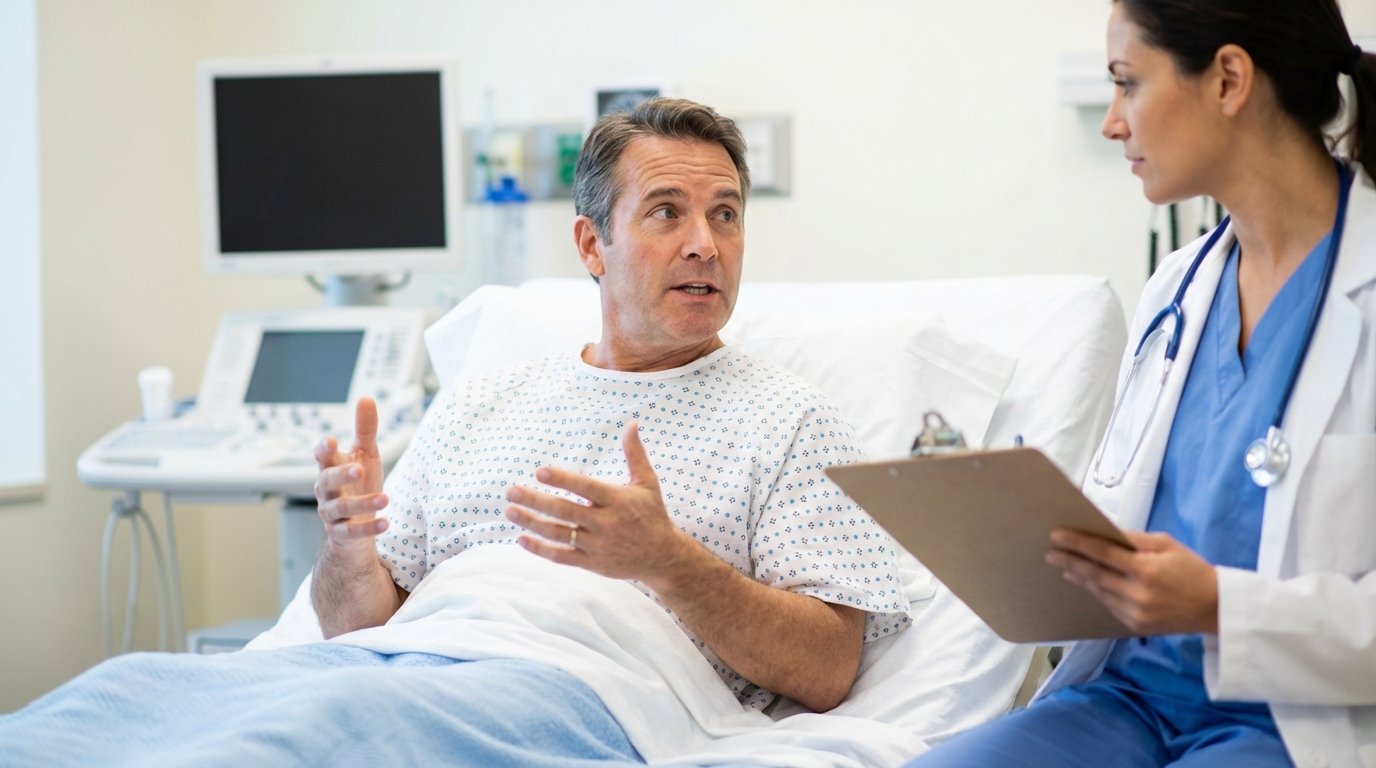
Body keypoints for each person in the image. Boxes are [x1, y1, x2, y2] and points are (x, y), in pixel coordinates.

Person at [0, 98, 909, 767]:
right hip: (394, 664)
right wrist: (348, 547)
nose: (705, 242)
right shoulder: (486, 397)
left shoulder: (790, 418)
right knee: (120, 697)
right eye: (667, 212)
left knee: (304, 738)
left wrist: (667, 561)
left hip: (573, 691)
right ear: (590, 246)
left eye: (726, 215)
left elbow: (829, 667)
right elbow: (356, 622)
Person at [907, 1, 1376, 767]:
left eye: (1127, 83)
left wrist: (1221, 606)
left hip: (1294, 720)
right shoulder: (1175, 291)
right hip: (1125, 699)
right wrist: (1017, 527)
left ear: (1228, 80)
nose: (1112, 122)